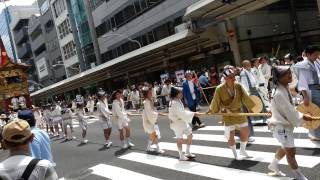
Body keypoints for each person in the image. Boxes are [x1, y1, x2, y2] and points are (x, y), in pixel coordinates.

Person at [267, 65, 312, 180]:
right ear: (279, 78)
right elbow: (290, 112)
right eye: (286, 74)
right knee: (291, 152)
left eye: (289, 73)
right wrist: (303, 117)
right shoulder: (279, 93)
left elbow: (289, 106)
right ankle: (300, 177)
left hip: (282, 124)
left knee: (285, 147)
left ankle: (273, 165)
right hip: (281, 127)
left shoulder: (283, 87)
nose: (289, 75)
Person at [209, 68, 256, 160]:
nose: (233, 78)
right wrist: (212, 110)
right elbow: (216, 102)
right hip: (228, 114)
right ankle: (235, 154)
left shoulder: (238, 86)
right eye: (231, 77)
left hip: (239, 111)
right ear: (225, 78)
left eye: (234, 76)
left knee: (246, 130)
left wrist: (252, 108)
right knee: (231, 135)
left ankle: (242, 150)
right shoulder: (219, 89)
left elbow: (245, 97)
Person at [295, 45, 320, 141]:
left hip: (317, 88)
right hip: (311, 90)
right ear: (308, 54)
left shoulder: (316, 62)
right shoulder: (303, 65)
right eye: (315, 55)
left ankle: (316, 134)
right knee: (315, 111)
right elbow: (302, 82)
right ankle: (316, 135)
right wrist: (305, 96)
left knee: (317, 112)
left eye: (318, 54)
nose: (317, 56)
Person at [169, 87, 197, 161]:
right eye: (180, 92)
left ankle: (187, 152)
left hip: (182, 121)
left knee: (190, 135)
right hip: (177, 123)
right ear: (176, 94)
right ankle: (181, 155)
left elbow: (182, 112)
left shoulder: (178, 100)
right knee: (179, 139)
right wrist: (193, 114)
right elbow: (181, 113)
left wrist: (192, 113)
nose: (181, 93)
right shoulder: (174, 103)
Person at [142, 87, 164, 153]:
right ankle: (157, 148)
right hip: (149, 121)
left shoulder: (149, 100)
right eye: (149, 92)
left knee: (153, 135)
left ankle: (149, 147)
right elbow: (150, 113)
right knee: (154, 134)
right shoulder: (146, 102)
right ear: (146, 94)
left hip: (151, 120)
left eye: (150, 92)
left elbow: (151, 111)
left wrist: (155, 114)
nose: (151, 93)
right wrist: (156, 114)